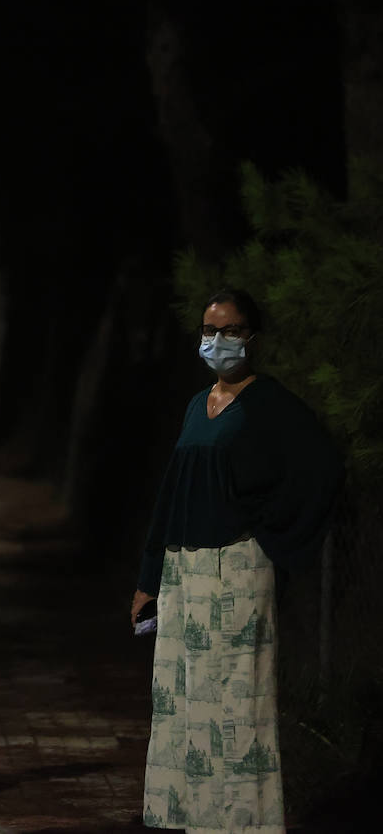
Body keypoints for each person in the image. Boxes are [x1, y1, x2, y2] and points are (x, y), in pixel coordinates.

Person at [131, 288, 342, 834]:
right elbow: (172, 494)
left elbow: (321, 469)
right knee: (182, 702)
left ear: (252, 337)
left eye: (229, 331)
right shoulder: (195, 407)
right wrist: (149, 576)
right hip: (184, 576)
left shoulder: (270, 405)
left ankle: (241, 823)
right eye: (209, 330)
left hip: (238, 574)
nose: (217, 341)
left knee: (235, 704)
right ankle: (191, 818)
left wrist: (266, 528)